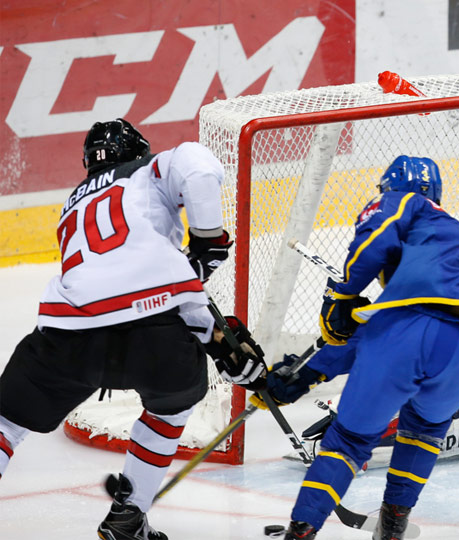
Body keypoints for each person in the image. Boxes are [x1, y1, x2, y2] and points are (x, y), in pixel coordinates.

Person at [0, 119, 263, 540]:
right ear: (139, 151)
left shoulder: (72, 206)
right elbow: (196, 163)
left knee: (6, 421)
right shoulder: (147, 172)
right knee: (172, 405)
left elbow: (123, 278)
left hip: (69, 333)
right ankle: (130, 514)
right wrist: (208, 242)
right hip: (155, 338)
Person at [262, 155, 459, 540]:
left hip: (415, 333)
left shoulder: (403, 202)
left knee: (349, 440)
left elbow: (398, 316)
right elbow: (393, 326)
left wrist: (340, 296)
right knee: (425, 429)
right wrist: (307, 373)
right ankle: (392, 528)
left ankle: (301, 532)